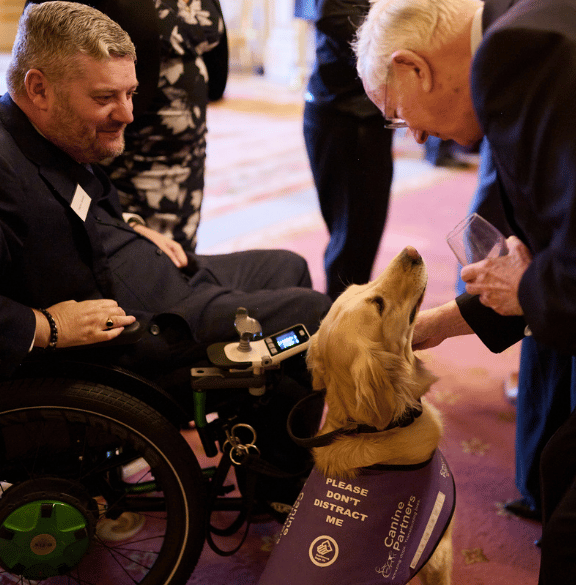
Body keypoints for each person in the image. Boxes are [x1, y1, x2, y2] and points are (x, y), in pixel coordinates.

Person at [1, 1, 331, 512]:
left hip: (144, 267)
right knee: (312, 314)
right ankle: (285, 495)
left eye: (130, 93)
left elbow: (80, 200)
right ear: (38, 88)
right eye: (105, 97)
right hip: (137, 331)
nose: (129, 114)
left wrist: (132, 226)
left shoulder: (40, 132)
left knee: (286, 265)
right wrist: (45, 326)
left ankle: (271, 483)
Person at [354, 0, 576, 585]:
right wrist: (439, 323)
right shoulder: (528, 19)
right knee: (565, 464)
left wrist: (525, 288)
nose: (412, 133)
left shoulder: (520, 53)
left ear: (415, 68)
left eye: (395, 114)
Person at [26, 0, 229, 253]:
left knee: (180, 254)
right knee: (128, 253)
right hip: (123, 153)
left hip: (186, 156)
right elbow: (40, 33)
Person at [297, 0, 394, 300]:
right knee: (351, 247)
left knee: (360, 241)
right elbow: (336, 18)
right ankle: (339, 336)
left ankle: (344, 328)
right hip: (345, 116)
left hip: (365, 116)